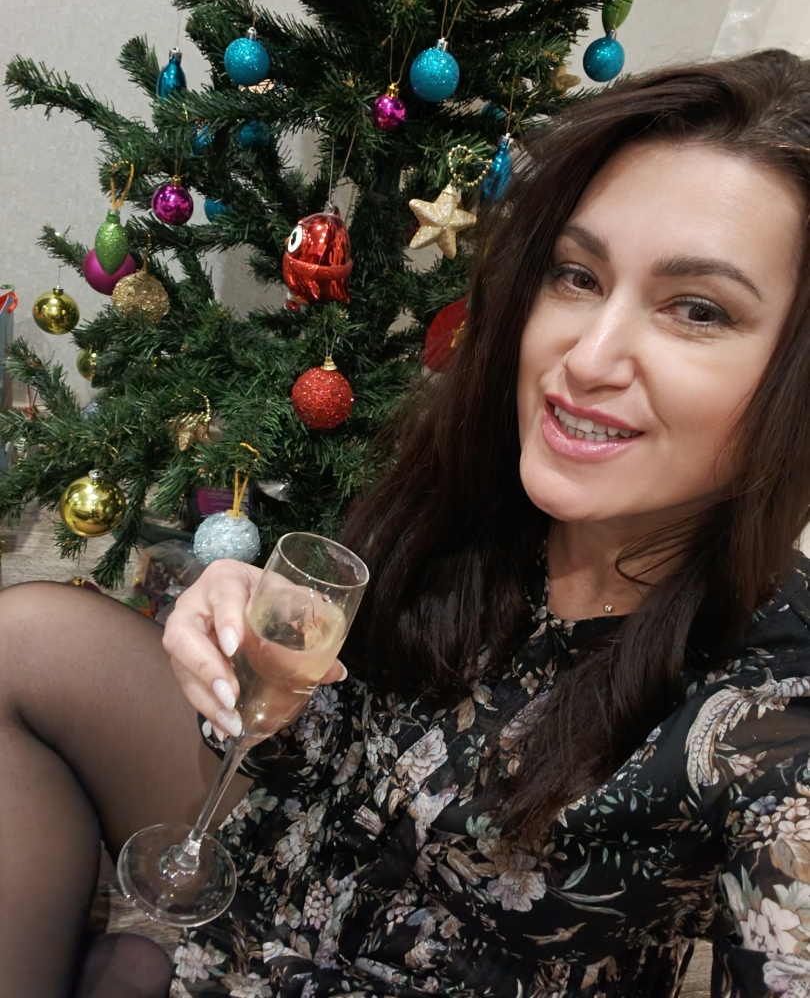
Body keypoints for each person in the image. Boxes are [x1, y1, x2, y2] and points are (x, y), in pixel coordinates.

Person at [3, 49, 810, 998]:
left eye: (697, 310)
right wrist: (260, 661)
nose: (587, 357)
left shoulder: (775, 721)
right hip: (282, 883)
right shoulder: (485, 490)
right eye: (577, 275)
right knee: (26, 640)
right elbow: (341, 758)